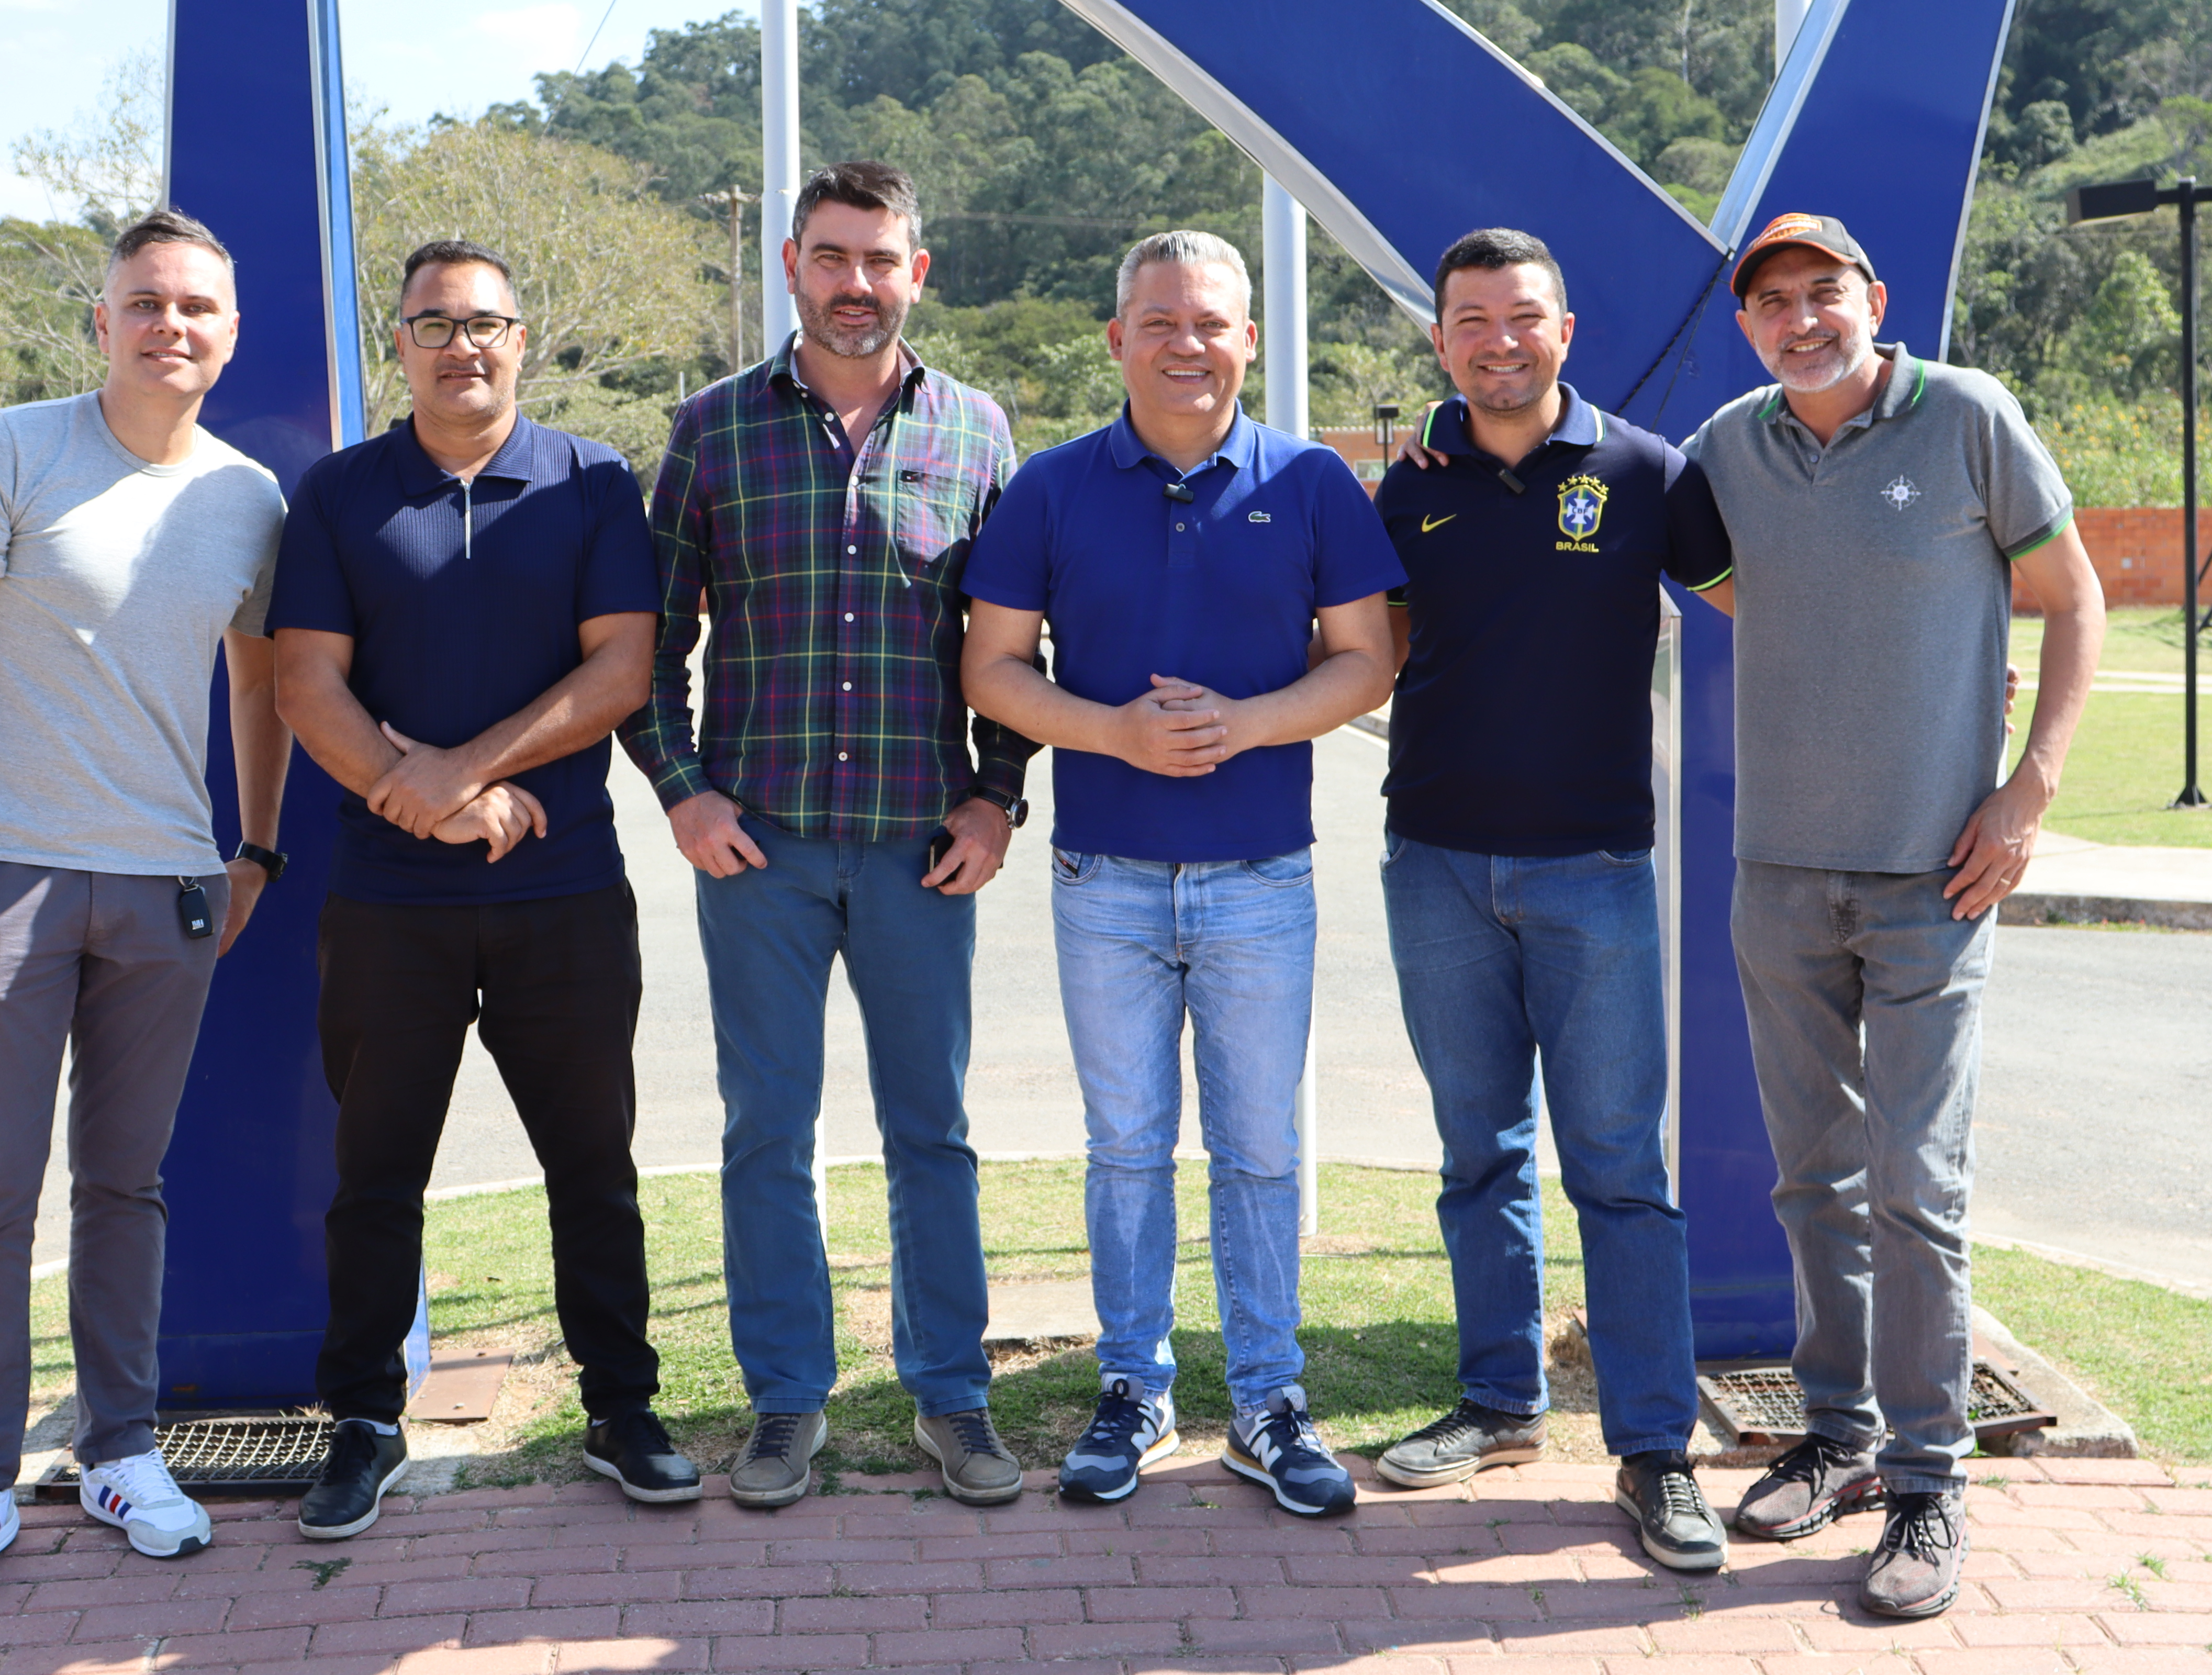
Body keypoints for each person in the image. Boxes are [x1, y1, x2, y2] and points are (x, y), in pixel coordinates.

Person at [1684, 213, 2104, 1617]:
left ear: (1876, 296)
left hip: (1939, 874)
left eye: (1823, 294)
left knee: (1918, 1186)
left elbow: (2073, 595)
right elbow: (1632, 513)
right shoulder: (1735, 444)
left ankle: (1930, 1482)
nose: (1799, 319)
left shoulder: (1972, 417)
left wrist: (2028, 786)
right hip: (1779, 873)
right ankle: (1840, 1437)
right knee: (1813, 1177)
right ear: (1749, 327)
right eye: (1773, 304)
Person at [0, 208, 291, 1606]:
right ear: (101, 321)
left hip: (168, 889)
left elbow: (258, 683)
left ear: (232, 337)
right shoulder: (14, 453)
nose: (174, 324)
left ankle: (120, 1450)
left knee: (127, 1186)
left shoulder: (248, 500)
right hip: (4, 883)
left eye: (200, 309)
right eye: (148, 301)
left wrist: (257, 849)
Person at [961, 230, 1400, 1517]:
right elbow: (991, 667)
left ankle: (1268, 1398)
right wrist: (1116, 733)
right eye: (1159, 322)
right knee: (1128, 1147)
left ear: (1249, 338)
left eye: (1212, 321)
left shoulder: (1314, 479)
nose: (1187, 343)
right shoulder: (1048, 488)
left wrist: (1247, 721)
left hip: (1263, 872)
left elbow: (1369, 657)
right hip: (1104, 874)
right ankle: (1134, 1386)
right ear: (1117, 339)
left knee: (1260, 1148)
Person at [617, 163, 1031, 1510]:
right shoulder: (714, 429)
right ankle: (787, 1402)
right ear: (793, 262)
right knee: (764, 1134)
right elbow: (646, 642)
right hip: (765, 852)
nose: (858, 284)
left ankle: (951, 1400)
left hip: (923, 846)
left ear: (922, 271)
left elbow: (1019, 640)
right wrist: (683, 788)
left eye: (883, 261)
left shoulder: (978, 433)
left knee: (936, 1131)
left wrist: (997, 793)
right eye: (834, 258)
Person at [270, 239, 686, 1538]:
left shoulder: (591, 482)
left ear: (524, 340)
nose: (464, 344)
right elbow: (305, 688)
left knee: (592, 1168)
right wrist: (441, 803)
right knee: (376, 1173)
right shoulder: (340, 494)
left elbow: (623, 672)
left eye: (487, 322)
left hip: (564, 890)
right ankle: (361, 1418)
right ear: (398, 342)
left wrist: (463, 770)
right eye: (435, 323)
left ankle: (623, 1407)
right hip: (390, 903)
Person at [1364, 228, 1731, 1571]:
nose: (1498, 340)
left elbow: (1768, 599)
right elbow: (1360, 650)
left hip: (1598, 874)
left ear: (1564, 330)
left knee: (1623, 1172)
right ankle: (1501, 1401)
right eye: (1471, 319)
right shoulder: (1403, 491)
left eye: (1523, 317)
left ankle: (1654, 1450)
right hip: (1438, 866)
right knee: (1480, 1156)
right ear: (1442, 339)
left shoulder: (1645, 473)